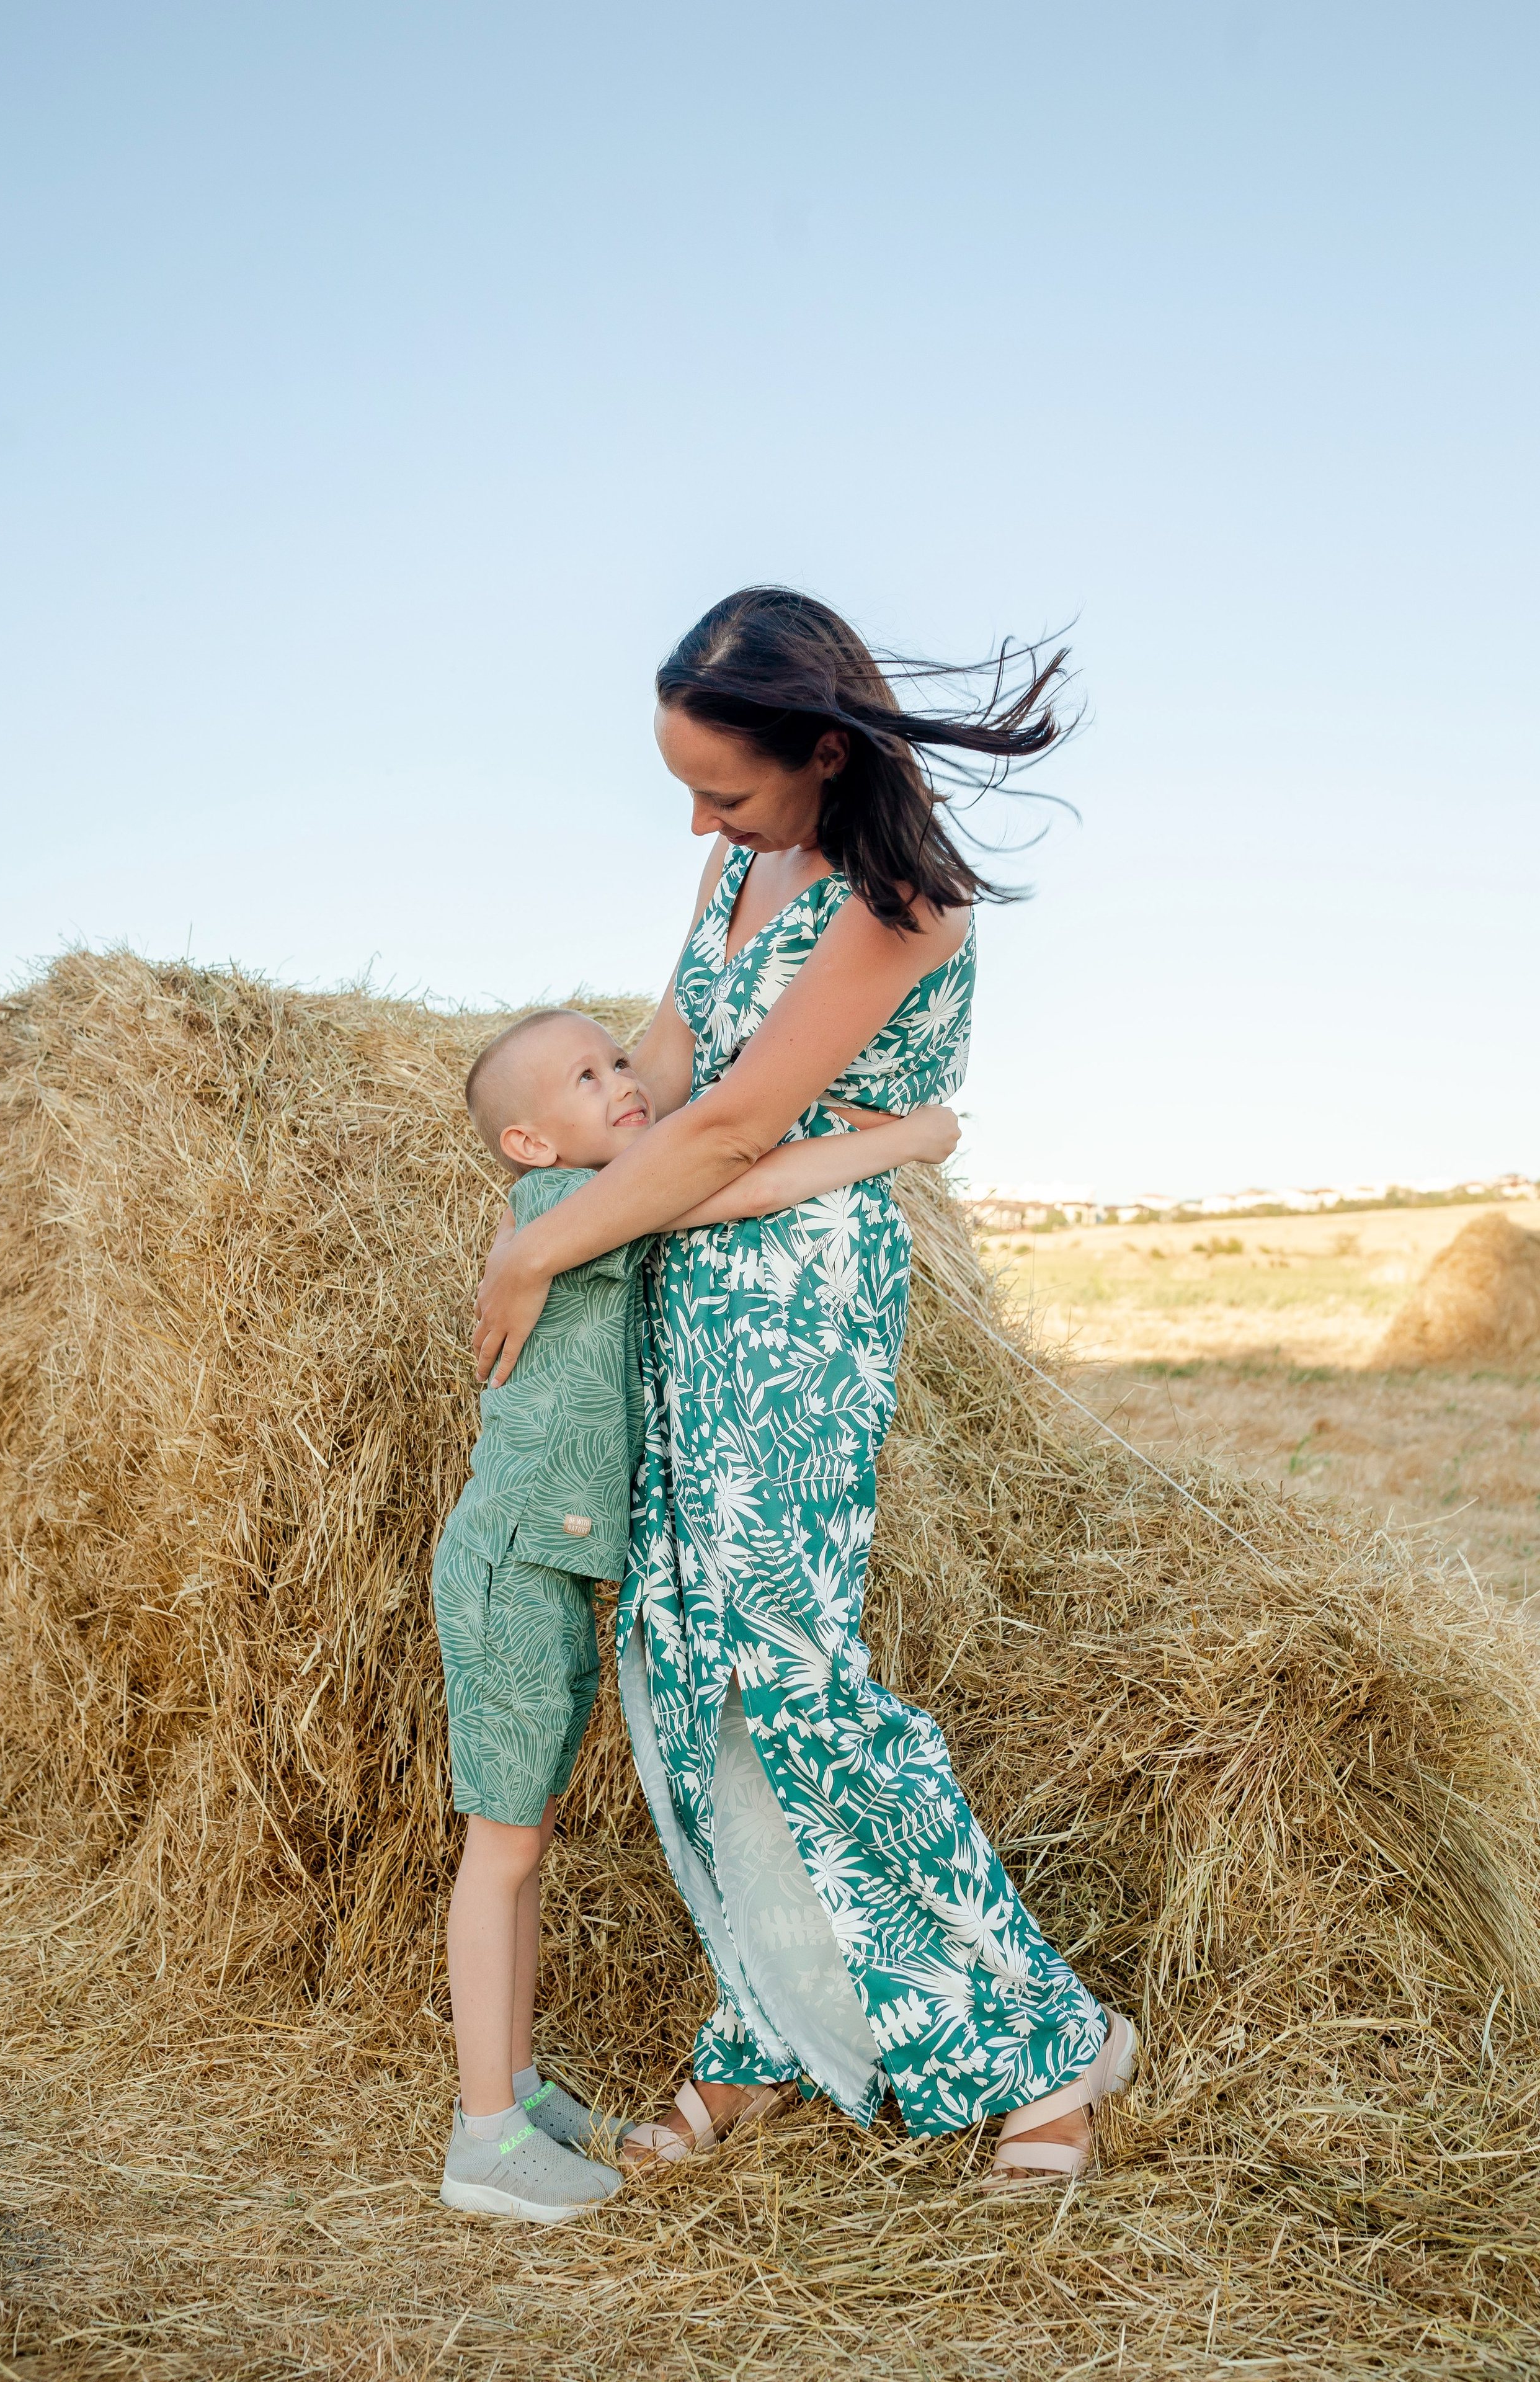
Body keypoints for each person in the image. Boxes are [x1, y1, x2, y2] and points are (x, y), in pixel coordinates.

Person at [471, 587, 1135, 2195]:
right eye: (688, 787)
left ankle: (1051, 2047)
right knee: (690, 1662)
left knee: (793, 1667)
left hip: (800, 1308)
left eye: (730, 790)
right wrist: (565, 1182)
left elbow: (725, 1136)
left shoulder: (907, 902)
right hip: (684, 1287)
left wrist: (534, 1256)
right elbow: (671, 1081)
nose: (700, 821)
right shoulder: (735, 865)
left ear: (828, 751)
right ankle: (772, 2019)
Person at [436, 1003, 961, 2221]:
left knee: (526, 1841)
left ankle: (510, 2089)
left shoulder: (581, 1202)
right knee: (500, 1854)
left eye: (619, 1059)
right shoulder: (561, 1216)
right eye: (585, 1077)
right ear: (528, 1146)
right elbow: (733, 1183)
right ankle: (481, 2141)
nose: (623, 1081)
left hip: (554, 1568)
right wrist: (907, 1139)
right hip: (516, 1566)